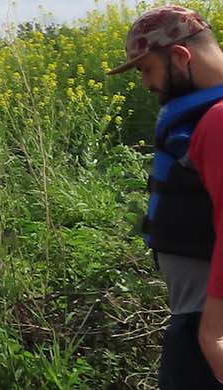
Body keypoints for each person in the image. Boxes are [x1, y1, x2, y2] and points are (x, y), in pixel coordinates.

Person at [110, 6, 223, 387]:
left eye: (146, 68)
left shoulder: (219, 120)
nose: (145, 83)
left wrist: (212, 333)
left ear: (179, 56)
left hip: (208, 324)